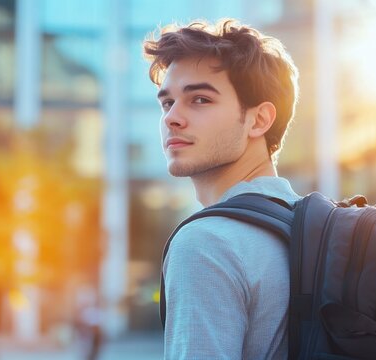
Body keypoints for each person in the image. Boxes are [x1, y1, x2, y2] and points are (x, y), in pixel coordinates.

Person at [143, 19, 300, 359]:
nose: (172, 118)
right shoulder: (309, 225)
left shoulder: (206, 243)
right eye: (167, 103)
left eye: (199, 99)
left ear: (259, 120)